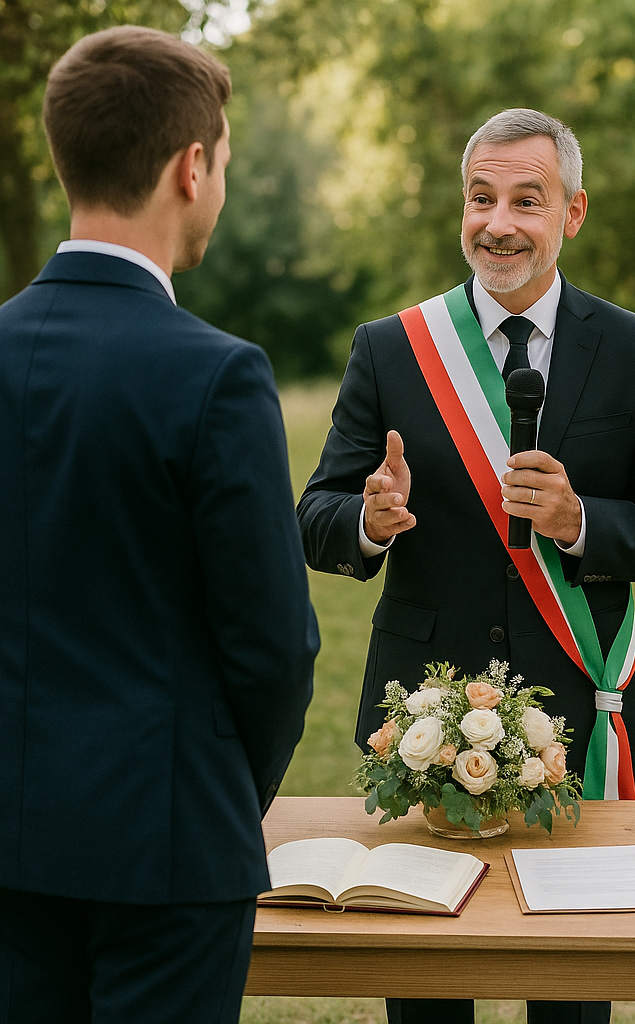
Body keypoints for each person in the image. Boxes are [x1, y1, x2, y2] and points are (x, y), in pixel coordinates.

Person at [298, 108, 635, 1024]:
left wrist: (580, 521)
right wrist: (368, 519)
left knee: (570, 992)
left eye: (528, 198)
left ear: (573, 211)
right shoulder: (393, 347)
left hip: (576, 709)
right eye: (481, 198)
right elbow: (314, 517)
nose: (499, 221)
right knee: (427, 991)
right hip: (422, 714)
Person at [0, 26, 318, 1024]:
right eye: (222, 160)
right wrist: (219, 796)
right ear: (192, 167)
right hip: (167, 853)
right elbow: (272, 647)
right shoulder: (215, 373)